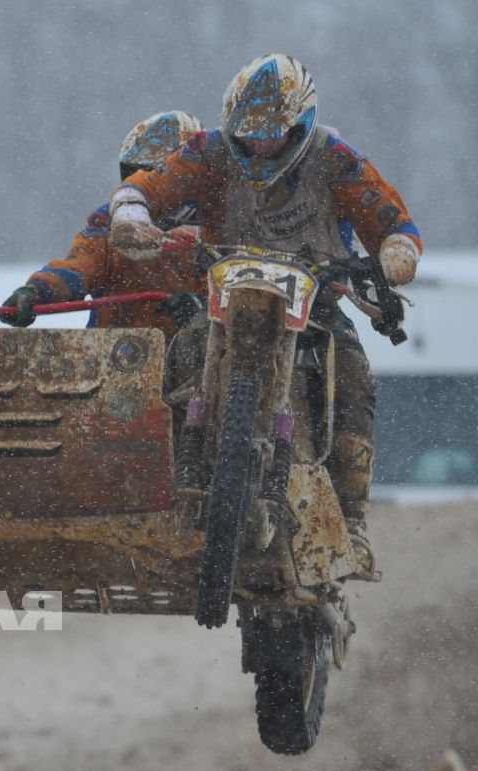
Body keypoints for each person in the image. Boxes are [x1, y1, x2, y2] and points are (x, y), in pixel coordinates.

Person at [106, 55, 422, 575]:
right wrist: (131, 215)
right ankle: (158, 479)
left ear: (299, 125)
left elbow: (394, 220)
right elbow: (145, 186)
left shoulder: (335, 157)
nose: (257, 146)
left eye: (270, 135)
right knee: (178, 350)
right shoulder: (207, 151)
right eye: (246, 134)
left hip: (315, 296)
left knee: (354, 373)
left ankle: (355, 520)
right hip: (224, 291)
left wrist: (396, 254)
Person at [1, 111, 206, 337]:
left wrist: (203, 312)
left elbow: (242, 303)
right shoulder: (111, 225)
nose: (145, 188)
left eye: (157, 180)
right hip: (116, 361)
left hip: (199, 364)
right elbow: (80, 266)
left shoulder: (220, 229)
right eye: (137, 177)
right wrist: (38, 290)